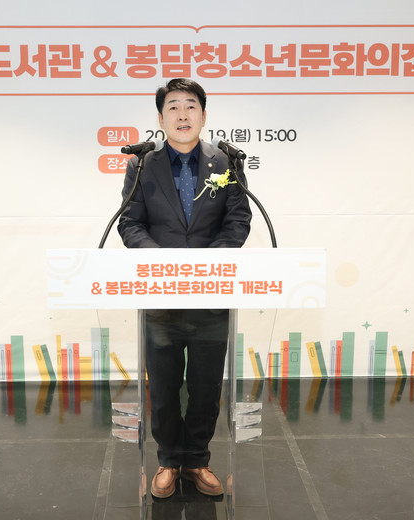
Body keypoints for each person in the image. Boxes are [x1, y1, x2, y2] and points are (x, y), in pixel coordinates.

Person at [117, 78, 252, 499]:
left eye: (190, 106)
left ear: (204, 115)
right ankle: (168, 461)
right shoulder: (142, 165)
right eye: (172, 107)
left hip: (211, 295)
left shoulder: (226, 162)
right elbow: (130, 223)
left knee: (206, 386)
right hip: (161, 296)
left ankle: (197, 460)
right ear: (160, 118)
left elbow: (238, 220)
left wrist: (206, 265)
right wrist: (165, 264)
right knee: (163, 385)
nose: (182, 114)